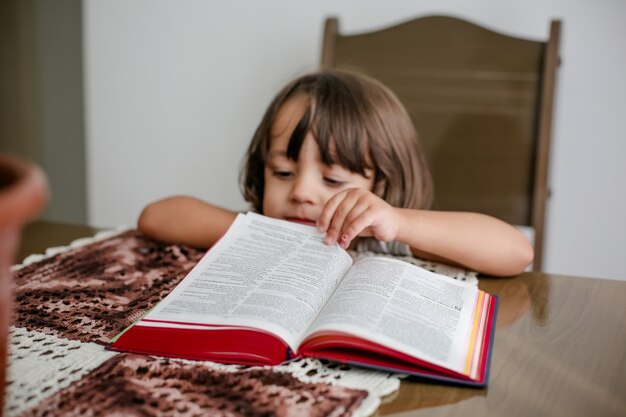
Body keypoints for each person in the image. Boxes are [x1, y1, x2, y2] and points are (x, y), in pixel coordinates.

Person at [138, 69, 533, 276]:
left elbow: (516, 252)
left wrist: (397, 222)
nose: (302, 193)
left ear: (380, 183)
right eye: (282, 172)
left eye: (333, 180)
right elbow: (155, 216)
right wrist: (248, 231)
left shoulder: (384, 240)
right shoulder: (261, 226)